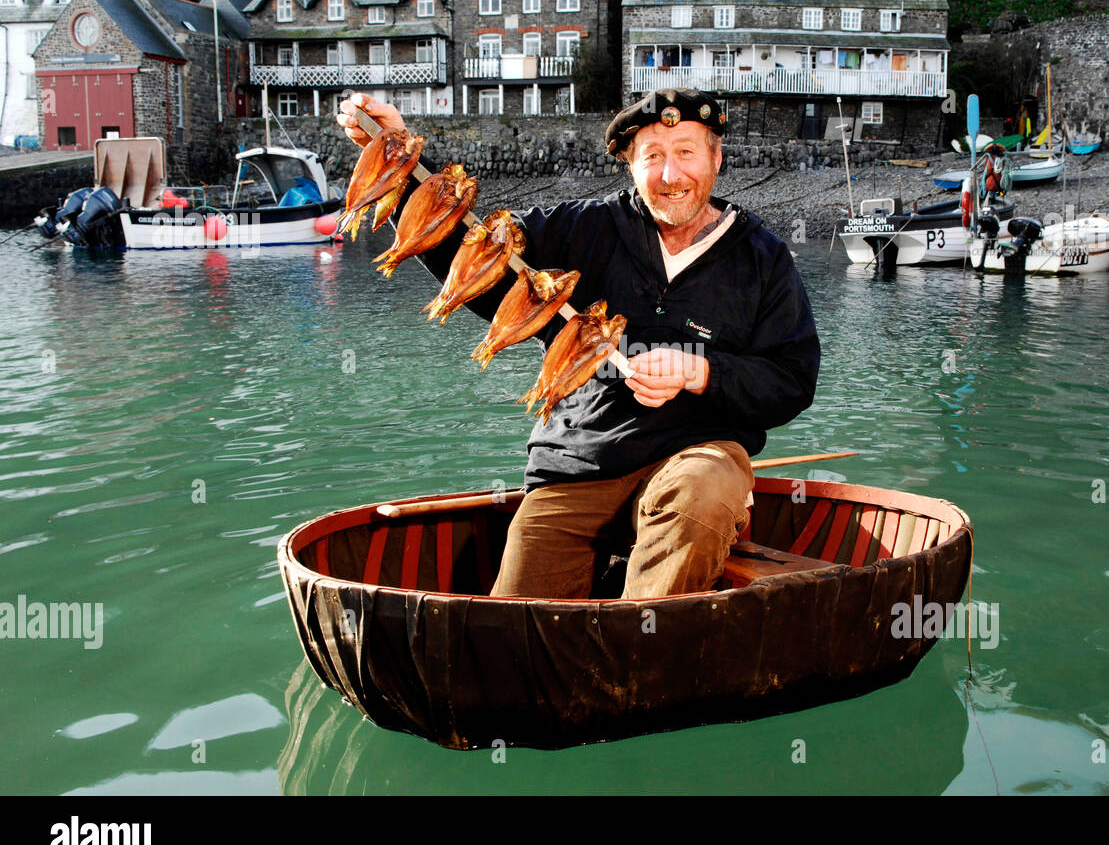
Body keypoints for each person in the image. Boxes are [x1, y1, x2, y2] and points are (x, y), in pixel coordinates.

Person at [337, 87, 820, 600]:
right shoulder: (580, 228)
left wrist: (700, 372)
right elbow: (476, 250)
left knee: (703, 495)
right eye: (652, 156)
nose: (671, 175)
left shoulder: (762, 258)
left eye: (686, 152)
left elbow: (791, 380)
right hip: (578, 465)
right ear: (629, 164)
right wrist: (398, 149)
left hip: (696, 458)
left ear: (716, 157)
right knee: (516, 615)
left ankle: (640, 651)